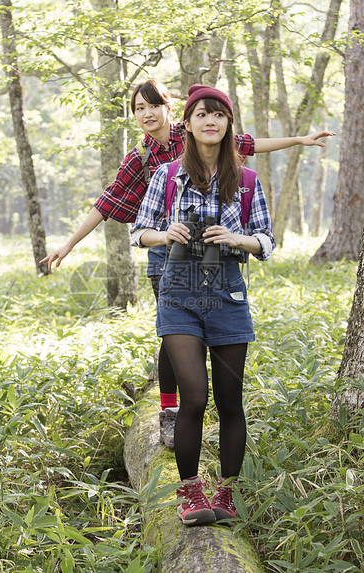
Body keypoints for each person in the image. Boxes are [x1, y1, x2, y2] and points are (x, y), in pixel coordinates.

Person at [41, 79, 333, 449]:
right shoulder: (140, 159)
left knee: (205, 337)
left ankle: (194, 409)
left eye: (153, 106)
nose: (147, 114)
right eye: (139, 109)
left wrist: (298, 140)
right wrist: (67, 246)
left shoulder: (195, 129)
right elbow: (106, 203)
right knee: (174, 334)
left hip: (214, 258)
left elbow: (250, 145)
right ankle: (169, 409)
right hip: (167, 253)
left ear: (168, 108)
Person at [131, 84, 274, 526]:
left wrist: (236, 239)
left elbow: (267, 241)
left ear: (229, 123)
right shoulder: (167, 175)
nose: (210, 121)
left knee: (231, 401)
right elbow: (138, 231)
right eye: (201, 115)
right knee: (194, 396)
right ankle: (191, 493)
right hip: (178, 295)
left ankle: (226, 496)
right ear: (187, 125)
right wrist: (165, 234)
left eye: (219, 115)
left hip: (227, 293)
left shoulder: (246, 180)